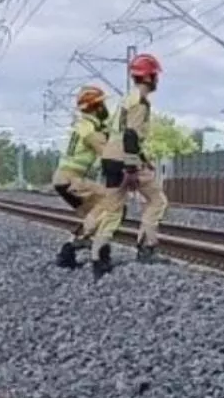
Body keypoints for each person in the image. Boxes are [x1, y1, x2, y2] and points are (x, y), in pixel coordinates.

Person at [98, 53, 170, 272]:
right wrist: (131, 167)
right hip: (124, 160)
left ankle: (99, 253)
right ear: (148, 77)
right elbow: (130, 135)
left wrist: (144, 159)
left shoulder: (126, 99)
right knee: (157, 200)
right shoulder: (140, 102)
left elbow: (122, 134)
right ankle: (146, 248)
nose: (157, 79)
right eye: (155, 75)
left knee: (112, 208)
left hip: (110, 157)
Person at [51, 85, 120, 270]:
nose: (105, 108)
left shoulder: (86, 126)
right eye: (102, 104)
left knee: (96, 213)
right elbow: (110, 155)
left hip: (63, 179)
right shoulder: (90, 131)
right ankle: (96, 254)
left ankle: (69, 253)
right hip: (71, 179)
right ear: (96, 107)